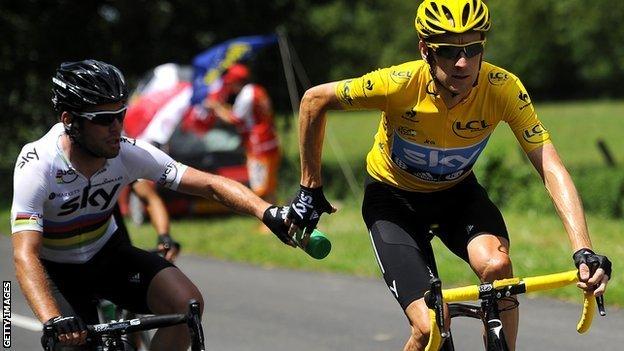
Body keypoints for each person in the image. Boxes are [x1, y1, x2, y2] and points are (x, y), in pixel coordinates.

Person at [285, 1, 612, 350]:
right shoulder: (397, 84)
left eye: (473, 50)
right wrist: (310, 188)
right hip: (393, 200)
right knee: (429, 327)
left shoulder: (502, 88)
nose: (463, 62)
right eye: (448, 52)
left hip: (457, 195)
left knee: (498, 266)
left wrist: (583, 250)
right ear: (425, 50)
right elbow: (312, 100)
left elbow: (550, 165)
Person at [11, 59, 293, 350]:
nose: (117, 127)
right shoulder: (37, 164)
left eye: (121, 114)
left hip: (109, 256)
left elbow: (209, 184)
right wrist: (52, 319)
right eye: (104, 119)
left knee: (187, 305)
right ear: (70, 121)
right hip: (58, 272)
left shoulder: (127, 153)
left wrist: (266, 211)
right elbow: (25, 254)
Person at [204, 63, 281, 204]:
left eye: (230, 82)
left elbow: (234, 119)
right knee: (269, 185)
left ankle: (268, 223)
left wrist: (216, 107)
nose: (229, 87)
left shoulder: (246, 95)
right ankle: (274, 219)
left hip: (258, 146)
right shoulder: (256, 90)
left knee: (260, 187)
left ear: (236, 81)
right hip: (269, 141)